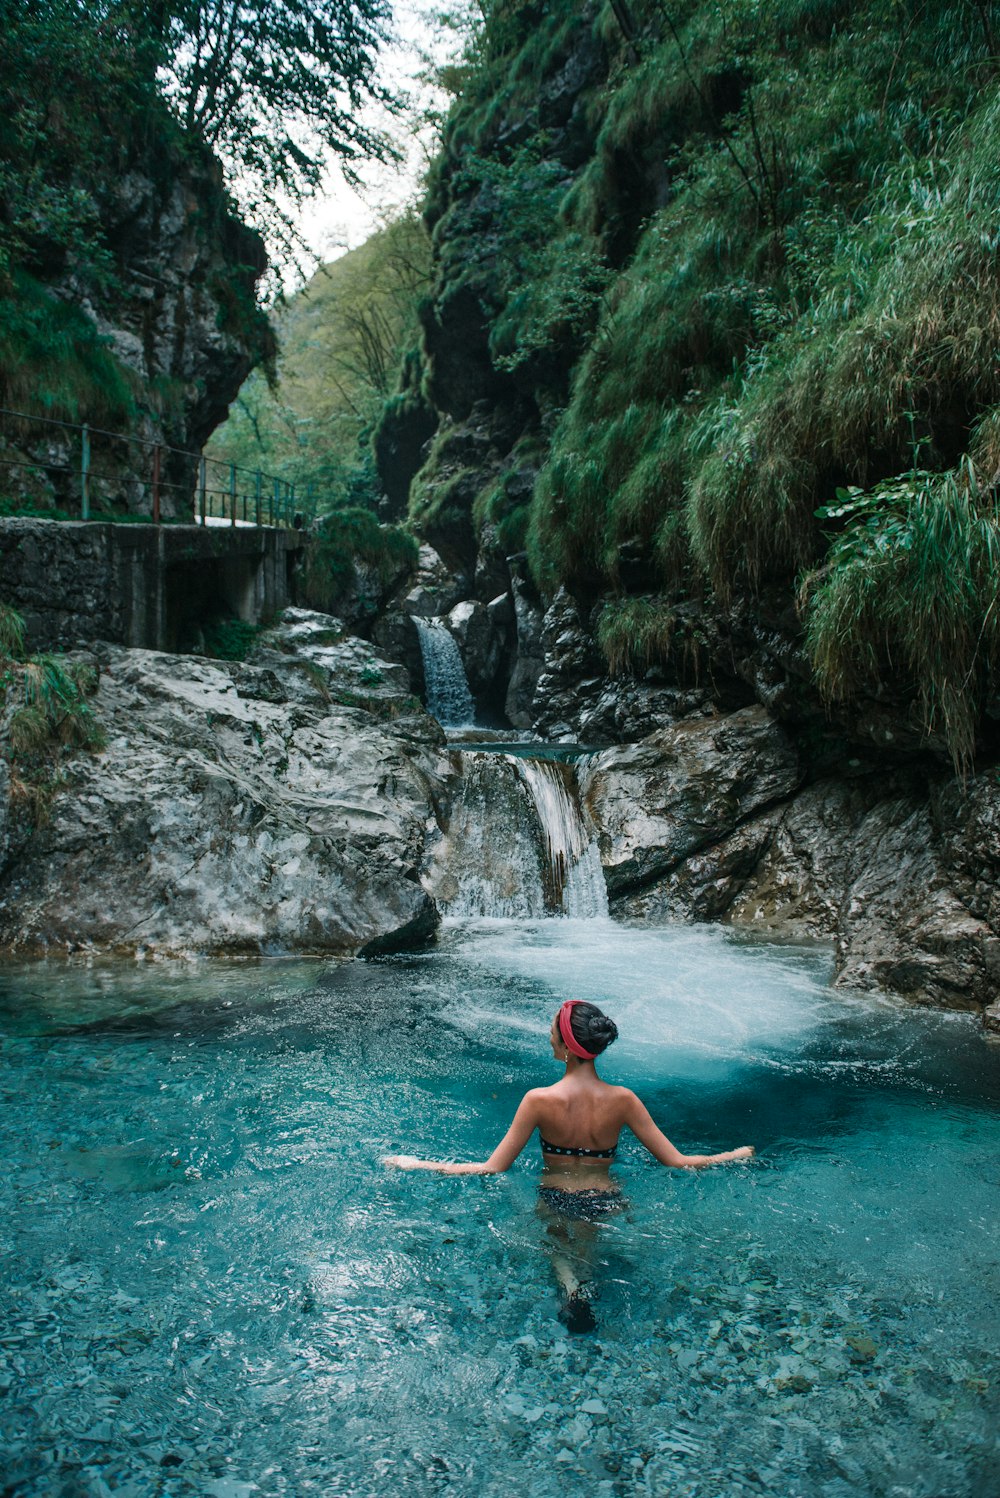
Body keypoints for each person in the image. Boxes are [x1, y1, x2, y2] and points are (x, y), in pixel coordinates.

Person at [384, 999, 754, 1332]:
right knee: (589, 1248)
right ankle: (585, 1281)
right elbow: (677, 1162)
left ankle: (570, 1285)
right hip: (605, 1198)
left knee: (556, 1246)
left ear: (565, 1047)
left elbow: (492, 1168)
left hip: (557, 1194)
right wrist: (733, 1156)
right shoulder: (623, 1099)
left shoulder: (539, 1100)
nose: (548, 1039)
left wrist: (418, 1163)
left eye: (550, 1034)